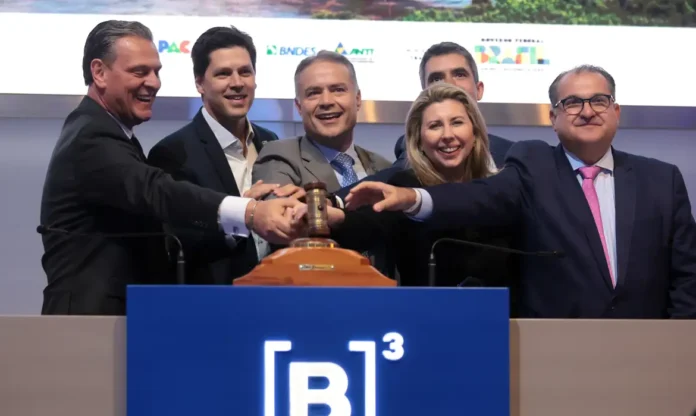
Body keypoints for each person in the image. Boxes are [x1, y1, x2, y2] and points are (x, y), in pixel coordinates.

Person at [340, 65, 696, 319]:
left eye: (599, 101)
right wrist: (412, 198)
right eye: (573, 103)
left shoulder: (662, 179)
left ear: (616, 111)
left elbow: (687, 275)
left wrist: (680, 342)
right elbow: (476, 196)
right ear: (553, 117)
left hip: (651, 353)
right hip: (554, 355)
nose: (587, 111)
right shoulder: (532, 165)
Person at [39, 20, 302, 315]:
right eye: (139, 72)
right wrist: (249, 212)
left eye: (156, 72)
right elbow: (157, 191)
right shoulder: (92, 135)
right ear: (99, 72)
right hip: (88, 319)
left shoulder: (112, 134)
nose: (153, 82)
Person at [326, 84, 520, 312]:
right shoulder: (405, 186)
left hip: (505, 324)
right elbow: (369, 222)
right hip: (426, 321)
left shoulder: (500, 187)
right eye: (435, 126)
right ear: (418, 140)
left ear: (475, 133)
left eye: (457, 122)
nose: (447, 135)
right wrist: (336, 218)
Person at [148, 26, 299, 285]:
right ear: (200, 83)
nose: (237, 83)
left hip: (281, 291)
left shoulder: (271, 142)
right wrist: (243, 215)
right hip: (215, 299)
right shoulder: (172, 153)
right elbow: (176, 246)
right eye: (223, 74)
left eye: (245, 72)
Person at [252, 50, 391, 196]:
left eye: (338, 90)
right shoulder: (279, 157)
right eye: (314, 93)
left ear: (357, 99)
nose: (326, 101)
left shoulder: (384, 167)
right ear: (299, 106)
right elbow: (280, 208)